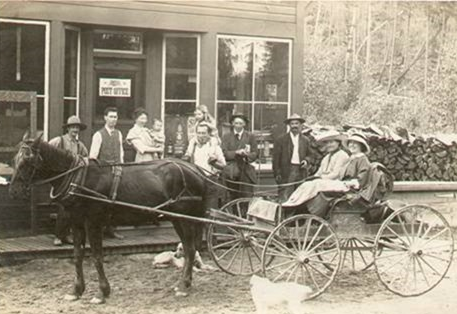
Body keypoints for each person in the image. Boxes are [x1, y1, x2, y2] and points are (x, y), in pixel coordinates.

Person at [282, 132, 372, 218]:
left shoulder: (362, 159)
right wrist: (314, 177)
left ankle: (295, 204)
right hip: (342, 184)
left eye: (355, 143)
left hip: (350, 188)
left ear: (361, 145)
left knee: (317, 184)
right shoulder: (351, 159)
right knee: (307, 184)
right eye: (350, 143)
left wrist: (349, 183)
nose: (352, 145)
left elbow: (360, 179)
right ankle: (292, 203)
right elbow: (331, 173)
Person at [48, 115, 89, 246]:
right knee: (62, 207)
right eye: (73, 127)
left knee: (72, 208)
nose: (75, 130)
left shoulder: (80, 146)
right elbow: (46, 152)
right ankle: (58, 236)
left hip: (74, 182)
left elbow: (86, 159)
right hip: (61, 181)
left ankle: (67, 236)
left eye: (77, 127)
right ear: (68, 129)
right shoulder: (58, 141)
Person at [89, 106, 124, 239]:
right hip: (103, 173)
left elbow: (121, 152)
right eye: (111, 116)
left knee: (116, 200)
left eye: (115, 117)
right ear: (105, 118)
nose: (113, 119)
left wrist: (121, 165)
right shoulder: (98, 135)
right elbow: (93, 157)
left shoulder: (119, 134)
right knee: (102, 201)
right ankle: (100, 229)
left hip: (117, 170)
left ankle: (111, 228)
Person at [183, 122, 226, 209]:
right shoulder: (192, 147)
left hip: (210, 181)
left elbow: (223, 166)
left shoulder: (215, 148)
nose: (201, 135)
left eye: (203, 133)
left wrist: (214, 163)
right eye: (198, 133)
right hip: (195, 181)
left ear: (208, 134)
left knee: (210, 209)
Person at [272, 114, 311, 202]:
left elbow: (311, 155)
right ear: (289, 125)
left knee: (299, 195)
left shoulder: (305, 140)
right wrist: (277, 173)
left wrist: (306, 161)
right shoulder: (281, 140)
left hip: (300, 170)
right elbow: (275, 159)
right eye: (292, 124)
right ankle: (283, 214)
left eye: (296, 123)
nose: (294, 126)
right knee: (285, 195)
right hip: (286, 171)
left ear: (300, 125)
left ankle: (296, 214)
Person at [221, 113, 258, 201]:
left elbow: (255, 153)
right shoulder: (226, 137)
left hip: (246, 171)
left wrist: (247, 155)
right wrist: (236, 152)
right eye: (236, 123)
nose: (238, 125)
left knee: (246, 197)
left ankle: (245, 214)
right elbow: (223, 153)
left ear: (244, 124)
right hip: (231, 172)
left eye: (240, 123)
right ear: (232, 123)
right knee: (232, 197)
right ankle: (233, 214)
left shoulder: (250, 136)